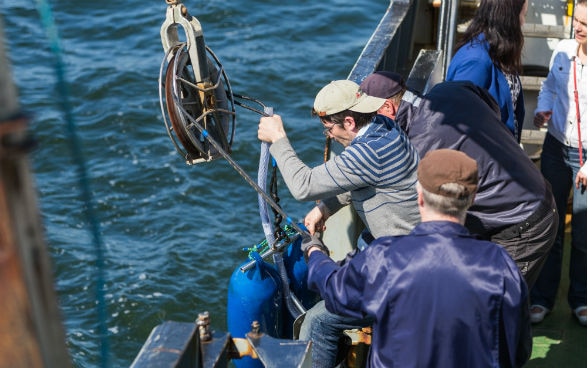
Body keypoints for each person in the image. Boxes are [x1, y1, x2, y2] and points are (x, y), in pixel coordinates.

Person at [303, 149, 532, 368]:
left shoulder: (386, 257)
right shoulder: (500, 265)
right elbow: (517, 350)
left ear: (420, 196)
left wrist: (316, 254)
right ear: (471, 198)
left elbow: (335, 289)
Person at [258, 79, 421, 368]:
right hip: (413, 251)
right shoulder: (386, 129)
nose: (329, 137)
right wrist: (326, 207)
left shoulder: (367, 152)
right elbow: (359, 179)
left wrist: (278, 139)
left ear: (349, 121)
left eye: (329, 129)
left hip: (402, 274)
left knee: (318, 321)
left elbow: (303, 186)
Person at [360, 71, 557, 290]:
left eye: (370, 118)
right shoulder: (451, 89)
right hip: (524, 191)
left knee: (497, 308)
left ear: (388, 109)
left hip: (524, 222)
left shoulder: (420, 147)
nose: (370, 127)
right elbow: (492, 106)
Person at [529, 0, 587, 326]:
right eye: (576, 21)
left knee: (583, 232)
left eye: (585, 24)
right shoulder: (564, 50)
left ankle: (580, 298)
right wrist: (544, 108)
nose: (577, 28)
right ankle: (542, 298)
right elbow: (550, 86)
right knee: (552, 226)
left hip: (586, 155)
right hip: (555, 147)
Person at [446, 0, 528, 142]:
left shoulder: (498, 51)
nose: (523, 22)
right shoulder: (476, 61)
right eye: (522, 15)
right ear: (509, 18)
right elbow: (457, 124)